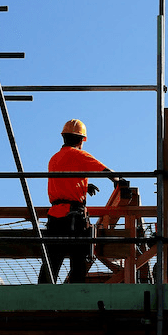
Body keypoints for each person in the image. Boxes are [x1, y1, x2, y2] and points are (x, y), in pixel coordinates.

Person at [38, 119, 123, 284]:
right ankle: (75, 299)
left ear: (64, 137)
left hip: (55, 217)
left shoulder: (54, 159)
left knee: (52, 262)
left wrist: (83, 184)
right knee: (78, 260)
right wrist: (119, 181)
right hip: (73, 217)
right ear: (81, 140)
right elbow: (106, 171)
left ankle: (41, 298)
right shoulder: (79, 155)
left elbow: (63, 182)